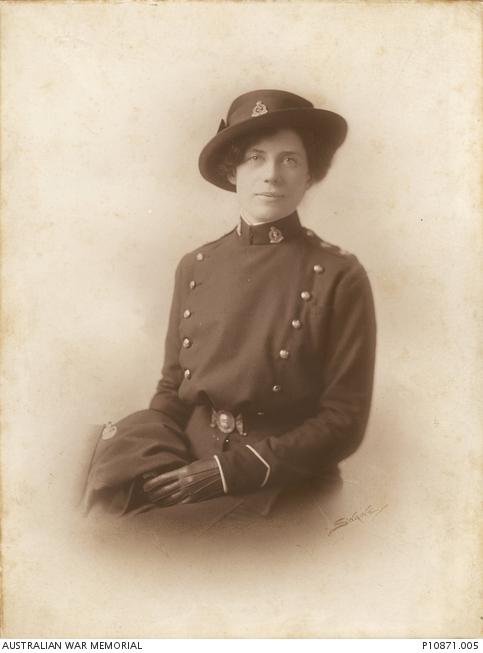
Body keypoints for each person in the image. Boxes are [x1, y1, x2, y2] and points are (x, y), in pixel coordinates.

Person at [83, 89, 377, 523]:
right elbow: (171, 389)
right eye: (255, 158)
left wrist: (224, 473)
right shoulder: (195, 266)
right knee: (89, 485)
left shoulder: (338, 274)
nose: (272, 175)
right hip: (187, 458)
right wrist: (158, 459)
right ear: (233, 170)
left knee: (139, 549)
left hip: (275, 481)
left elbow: (343, 421)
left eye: (289, 160)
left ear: (310, 173)